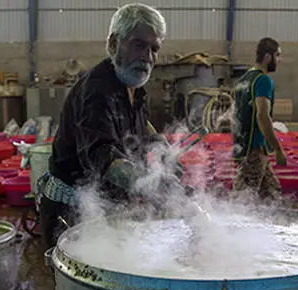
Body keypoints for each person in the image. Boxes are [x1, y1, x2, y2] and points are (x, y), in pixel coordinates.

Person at [38, 3, 188, 250]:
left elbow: (138, 121)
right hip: (73, 211)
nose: (147, 57)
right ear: (113, 45)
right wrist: (155, 185)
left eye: (154, 49)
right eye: (138, 45)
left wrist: (162, 146)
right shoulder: (97, 92)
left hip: (104, 204)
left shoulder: (133, 86)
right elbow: (105, 160)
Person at [232, 37, 286, 200]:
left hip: (241, 145)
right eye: (278, 55)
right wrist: (277, 149)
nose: (279, 60)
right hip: (254, 150)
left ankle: (272, 223)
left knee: (271, 194)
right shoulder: (263, 80)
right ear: (268, 57)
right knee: (243, 201)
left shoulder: (243, 80)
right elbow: (262, 115)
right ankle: (228, 224)